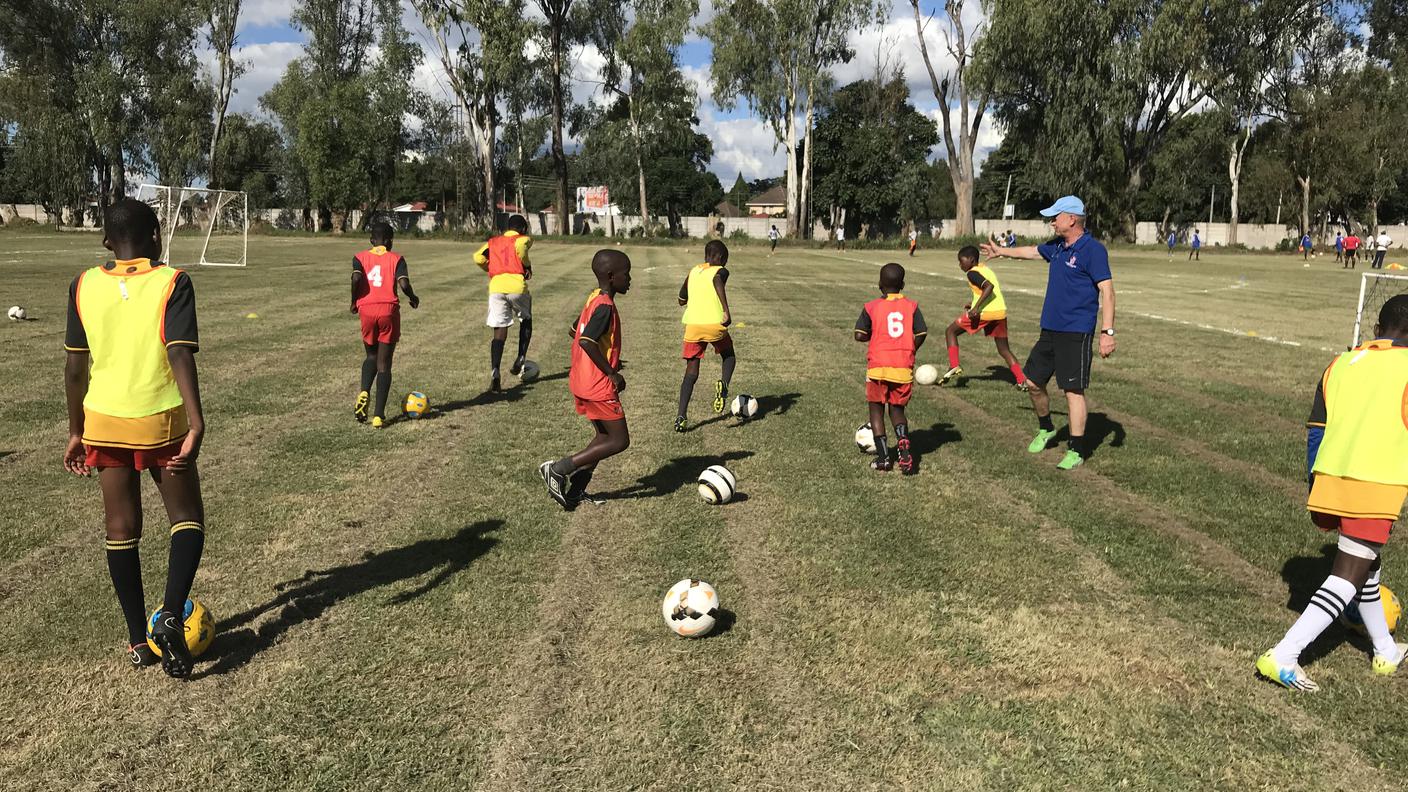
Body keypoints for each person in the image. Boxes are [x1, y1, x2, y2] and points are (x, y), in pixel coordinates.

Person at [62, 198, 208, 678]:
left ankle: (136, 643)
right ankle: (167, 616)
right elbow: (180, 351)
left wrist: (76, 430)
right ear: (157, 236)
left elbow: (74, 366)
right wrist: (196, 420)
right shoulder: (172, 281)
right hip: (159, 420)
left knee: (121, 528)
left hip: (103, 420)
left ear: (107, 242)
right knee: (186, 519)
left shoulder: (83, 284)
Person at [1256, 295, 1408, 691]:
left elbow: (1316, 428)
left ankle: (1385, 650)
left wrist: (1314, 482)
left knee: (1366, 565)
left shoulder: (1341, 363)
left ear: (1378, 330)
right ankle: (1285, 655)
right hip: (1374, 482)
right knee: (1346, 575)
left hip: (1330, 476)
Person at [980, 195, 1116, 470]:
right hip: (1050, 329)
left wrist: (1107, 332)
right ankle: (1046, 428)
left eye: (1056, 217)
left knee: (1072, 390)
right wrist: (1001, 252)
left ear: (1072, 219)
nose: (1051, 221)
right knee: (1031, 382)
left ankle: (1076, 449)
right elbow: (1031, 251)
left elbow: (1108, 292)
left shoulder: (1093, 250)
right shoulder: (1057, 246)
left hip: (1076, 331)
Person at [540, 250, 632, 510]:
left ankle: (576, 490)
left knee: (603, 437)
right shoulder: (605, 306)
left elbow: (574, 330)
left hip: (582, 379)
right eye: (627, 273)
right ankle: (558, 469)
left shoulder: (594, 297)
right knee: (619, 440)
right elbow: (587, 340)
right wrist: (611, 371)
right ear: (612, 277)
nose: (630, 279)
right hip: (597, 384)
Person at [854, 262, 926, 473]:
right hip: (902, 366)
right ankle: (903, 443)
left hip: (877, 366)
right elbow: (921, 332)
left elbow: (859, 334)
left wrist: (872, 334)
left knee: (876, 410)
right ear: (902, 284)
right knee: (897, 410)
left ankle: (884, 458)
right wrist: (910, 349)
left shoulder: (871, 306)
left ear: (879, 283)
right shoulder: (911, 306)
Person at [351, 222, 420, 427]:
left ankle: (364, 390)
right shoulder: (396, 258)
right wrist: (413, 297)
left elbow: (356, 279)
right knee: (384, 364)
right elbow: (404, 284)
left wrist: (353, 301)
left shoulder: (359, 257)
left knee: (371, 355)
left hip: (367, 309)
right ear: (390, 241)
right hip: (388, 310)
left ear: (371, 240)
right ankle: (379, 415)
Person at [940, 245, 1027, 391]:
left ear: (971, 260)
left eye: (961, 261)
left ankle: (954, 365)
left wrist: (976, 308)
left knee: (950, 331)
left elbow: (989, 287)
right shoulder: (985, 269)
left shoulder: (972, 273)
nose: (960, 265)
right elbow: (987, 291)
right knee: (1004, 349)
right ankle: (1022, 380)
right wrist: (973, 303)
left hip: (985, 313)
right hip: (1000, 312)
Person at [675, 240, 736, 432]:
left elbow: (681, 298)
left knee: (691, 372)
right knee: (729, 355)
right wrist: (726, 311)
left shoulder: (693, 271)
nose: (725, 264)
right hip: (714, 324)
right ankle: (723, 385)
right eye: (724, 259)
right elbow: (718, 279)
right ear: (719, 257)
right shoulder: (720, 271)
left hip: (693, 326)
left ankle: (681, 416)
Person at [473, 214, 532, 392]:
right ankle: (521, 356)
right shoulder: (521, 238)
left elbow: (478, 257)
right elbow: (522, 245)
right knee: (526, 319)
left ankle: (495, 372)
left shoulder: (493, 242)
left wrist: (492, 268)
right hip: (516, 285)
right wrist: (526, 265)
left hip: (496, 287)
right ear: (522, 229)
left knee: (499, 330)